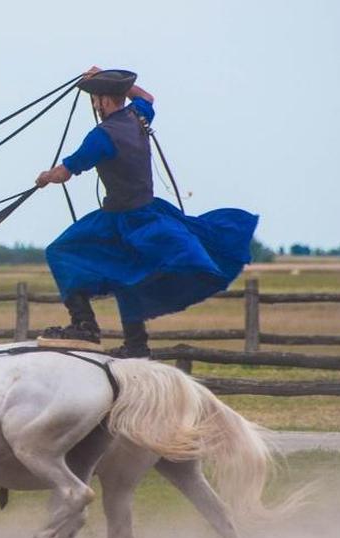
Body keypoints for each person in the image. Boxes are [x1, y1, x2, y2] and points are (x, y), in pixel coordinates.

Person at [35, 67, 258, 358]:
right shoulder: (138, 115)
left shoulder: (101, 137)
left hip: (119, 219)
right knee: (131, 272)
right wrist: (106, 76)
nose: (94, 105)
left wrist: (44, 177)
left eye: (96, 99)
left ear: (103, 101)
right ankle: (136, 344)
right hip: (149, 215)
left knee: (59, 251)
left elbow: (66, 172)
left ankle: (84, 326)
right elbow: (146, 96)